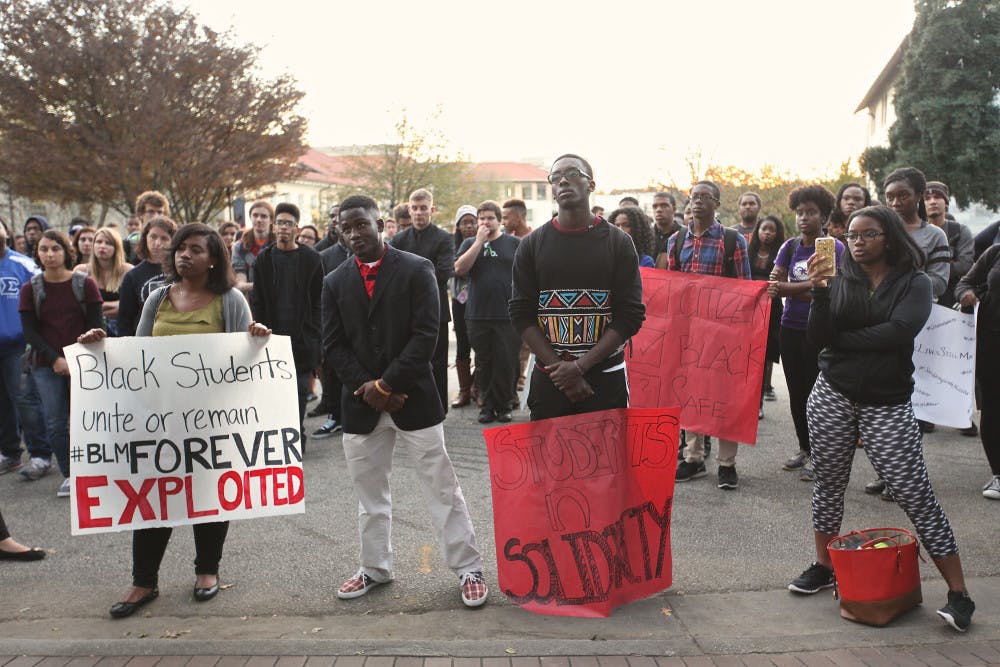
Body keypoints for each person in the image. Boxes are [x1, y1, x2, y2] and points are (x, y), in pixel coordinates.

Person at [788, 205, 975, 633]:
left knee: (915, 495)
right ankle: (823, 566)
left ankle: (959, 594)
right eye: (851, 235)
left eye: (867, 234)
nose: (856, 242)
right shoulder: (838, 279)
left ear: (888, 238)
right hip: (832, 396)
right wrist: (818, 291)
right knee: (828, 486)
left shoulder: (915, 283)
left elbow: (899, 332)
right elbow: (819, 336)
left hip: (886, 404)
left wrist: (844, 339)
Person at [322, 195, 488, 608]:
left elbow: (426, 335)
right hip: (361, 405)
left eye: (363, 224)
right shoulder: (334, 280)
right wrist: (371, 388)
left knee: (443, 488)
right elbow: (333, 345)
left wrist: (388, 384)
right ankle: (374, 568)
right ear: (339, 232)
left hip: (413, 397)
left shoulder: (417, 269)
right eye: (347, 227)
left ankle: (469, 568)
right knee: (369, 495)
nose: (356, 232)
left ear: (381, 225)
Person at [98, 222, 270, 618]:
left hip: (209, 419)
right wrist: (99, 348)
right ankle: (144, 581)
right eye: (180, 248)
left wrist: (256, 338)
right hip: (159, 419)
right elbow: (137, 355)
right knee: (153, 498)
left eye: (195, 249)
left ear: (213, 259)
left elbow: (245, 357)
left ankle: (207, 571)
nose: (184, 255)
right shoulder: (157, 298)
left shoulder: (229, 300)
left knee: (207, 496)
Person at [509, 154, 645, 421]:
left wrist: (581, 366)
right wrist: (562, 371)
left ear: (591, 184)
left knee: (606, 460)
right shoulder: (531, 245)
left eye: (572, 174)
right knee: (549, 461)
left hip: (605, 377)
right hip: (552, 377)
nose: (563, 180)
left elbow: (630, 315)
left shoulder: (618, 243)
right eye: (556, 177)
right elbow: (520, 313)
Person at [666, 181, 751, 490]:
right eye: (694, 197)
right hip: (689, 333)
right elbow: (673, 288)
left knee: (725, 397)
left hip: (723, 334)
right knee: (691, 394)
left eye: (705, 197)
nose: (698, 202)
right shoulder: (676, 241)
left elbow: (744, 288)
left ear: (717, 203)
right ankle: (693, 458)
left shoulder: (733, 241)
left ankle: (727, 465)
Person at [18, 230, 104, 498]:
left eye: (55, 248)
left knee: (88, 419)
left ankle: (96, 471)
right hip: (46, 363)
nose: (50, 254)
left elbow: (96, 324)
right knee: (55, 421)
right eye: (44, 249)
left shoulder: (84, 284)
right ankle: (71, 475)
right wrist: (55, 358)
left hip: (84, 360)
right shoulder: (30, 289)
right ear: (38, 253)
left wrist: (75, 356)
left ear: (67, 251)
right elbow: (30, 332)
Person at [769, 186, 845, 481]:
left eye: (811, 212)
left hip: (818, 329)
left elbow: (822, 292)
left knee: (818, 394)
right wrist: (799, 288)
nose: (804, 218)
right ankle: (805, 448)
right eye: (800, 212)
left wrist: (789, 288)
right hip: (790, 328)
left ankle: (822, 457)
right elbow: (775, 281)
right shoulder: (789, 246)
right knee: (797, 393)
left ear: (824, 216)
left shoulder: (828, 246)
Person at [250, 203, 323, 451]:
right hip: (272, 338)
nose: (283, 228)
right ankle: (278, 439)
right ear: (274, 227)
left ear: (297, 228)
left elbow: (318, 301)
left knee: (300, 392)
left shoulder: (312, 259)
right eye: (279, 223)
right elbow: (257, 299)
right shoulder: (264, 260)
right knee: (274, 393)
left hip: (303, 340)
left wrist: (315, 335)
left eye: (288, 223)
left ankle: (296, 438)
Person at [883, 167, 950, 437]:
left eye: (903, 196)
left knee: (912, 404)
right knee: (883, 402)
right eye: (890, 197)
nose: (896, 203)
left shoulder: (935, 236)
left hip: (918, 326)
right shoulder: (877, 232)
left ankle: (905, 472)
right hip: (879, 322)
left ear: (919, 196)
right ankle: (885, 470)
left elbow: (940, 282)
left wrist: (903, 287)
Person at [388, 188, 455, 413]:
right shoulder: (397, 240)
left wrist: (410, 280)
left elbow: (444, 272)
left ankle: (439, 408)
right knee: (406, 359)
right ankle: (410, 404)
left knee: (437, 363)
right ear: (409, 209)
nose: (418, 213)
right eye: (414, 208)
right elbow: (392, 275)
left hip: (436, 310)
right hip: (404, 311)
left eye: (423, 208)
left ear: (431, 209)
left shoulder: (444, 239)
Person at [455, 201, 521, 423]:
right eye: (481, 218)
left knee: (506, 361)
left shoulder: (514, 243)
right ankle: (486, 405)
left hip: (507, 314)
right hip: (477, 314)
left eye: (489, 218)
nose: (485, 222)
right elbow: (460, 269)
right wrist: (479, 242)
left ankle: (504, 405)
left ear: (499, 220)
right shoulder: (469, 244)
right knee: (483, 362)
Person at [0, 219, 51, 479]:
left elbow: (44, 299)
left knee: (25, 402)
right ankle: (9, 453)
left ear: (5, 234)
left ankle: (40, 455)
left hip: (17, 346)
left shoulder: (22, 265)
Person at [955, 244, 1000, 499]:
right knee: (994, 409)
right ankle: (998, 473)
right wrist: (967, 294)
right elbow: (964, 283)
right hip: (992, 347)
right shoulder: (995, 253)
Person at [116, 216, 177, 337]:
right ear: (145, 238)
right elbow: (125, 318)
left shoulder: (180, 271)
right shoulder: (133, 276)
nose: (157, 243)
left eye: (164, 238)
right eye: (153, 237)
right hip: (144, 341)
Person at [748, 215, 785, 409]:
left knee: (764, 356)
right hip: (749, 310)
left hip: (772, 309)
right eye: (764, 229)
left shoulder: (782, 254)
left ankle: (759, 400)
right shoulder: (748, 252)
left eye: (772, 230)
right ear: (758, 231)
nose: (768, 233)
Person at [924, 181, 973, 310]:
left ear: (946, 202)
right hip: (922, 297)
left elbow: (965, 265)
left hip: (953, 298)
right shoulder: (916, 232)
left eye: (937, 197)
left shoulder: (960, 231)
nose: (932, 201)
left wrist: (931, 267)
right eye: (927, 198)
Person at [76, 227, 133, 337]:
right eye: (98, 242)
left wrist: (118, 305)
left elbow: (134, 304)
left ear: (117, 248)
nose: (102, 246)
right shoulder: (80, 271)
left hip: (122, 331)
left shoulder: (129, 271)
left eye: (108, 243)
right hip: (88, 331)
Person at [449, 206, 478, 409]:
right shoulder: (451, 245)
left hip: (482, 300)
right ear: (458, 226)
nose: (468, 226)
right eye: (464, 222)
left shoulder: (487, 243)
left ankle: (478, 386)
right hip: (460, 300)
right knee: (463, 342)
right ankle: (464, 390)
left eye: (472, 221)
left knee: (483, 345)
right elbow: (453, 268)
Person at [232, 200, 276, 296]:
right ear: (250, 217)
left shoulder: (278, 245)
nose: (259, 219)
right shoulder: (239, 247)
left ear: (272, 220)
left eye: (264, 216)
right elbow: (240, 284)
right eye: (255, 215)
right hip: (251, 301)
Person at [125, 191, 169, 262]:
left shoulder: (170, 243)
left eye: (160, 212)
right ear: (141, 214)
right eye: (151, 211)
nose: (156, 216)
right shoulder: (130, 244)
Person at [651, 192, 682, 266]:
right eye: (655, 206)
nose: (658, 210)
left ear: (674, 209)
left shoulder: (684, 235)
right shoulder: (646, 235)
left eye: (664, 206)